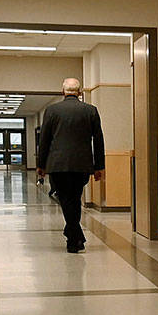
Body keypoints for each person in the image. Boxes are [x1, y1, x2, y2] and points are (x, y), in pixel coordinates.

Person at [36, 78, 105, 252]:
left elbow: (44, 140)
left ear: (63, 91)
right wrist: (99, 166)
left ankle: (73, 236)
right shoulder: (90, 110)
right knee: (74, 197)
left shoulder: (52, 111)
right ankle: (76, 237)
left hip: (58, 165)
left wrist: (41, 165)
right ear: (80, 92)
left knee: (66, 198)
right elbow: (98, 140)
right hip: (82, 165)